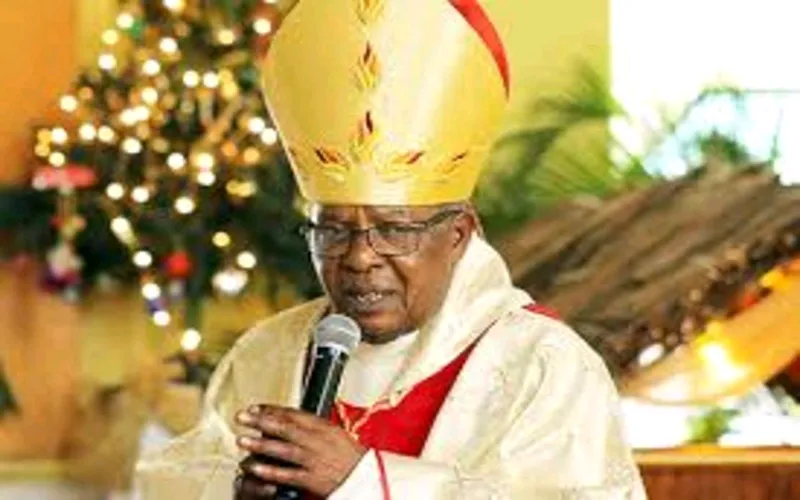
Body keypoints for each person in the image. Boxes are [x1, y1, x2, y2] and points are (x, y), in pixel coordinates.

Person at [135, 0, 647, 498]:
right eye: (334, 231)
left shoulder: (543, 364)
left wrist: (364, 481)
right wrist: (236, 490)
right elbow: (179, 476)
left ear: (459, 233)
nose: (360, 258)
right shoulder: (268, 353)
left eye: (394, 231)